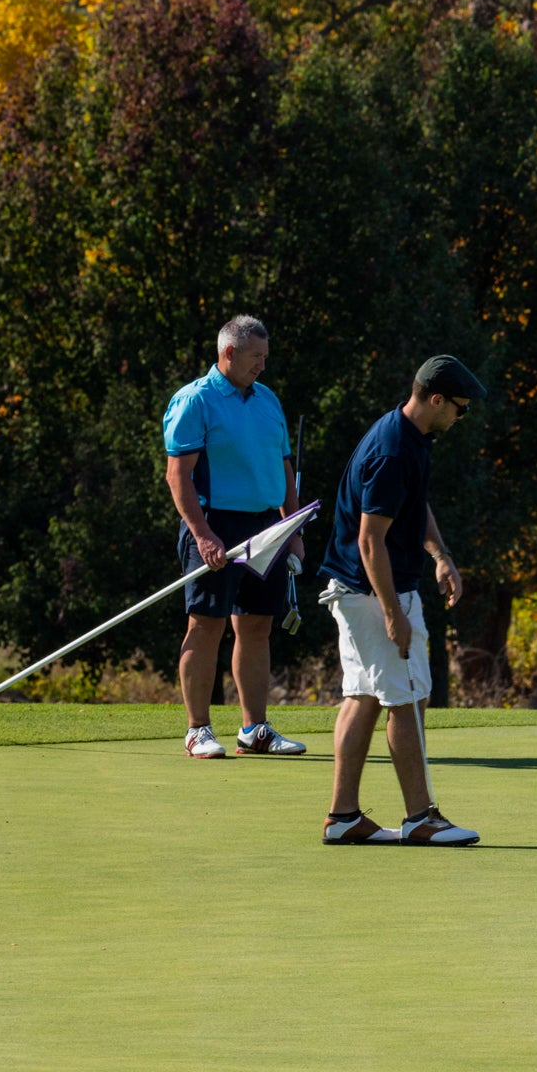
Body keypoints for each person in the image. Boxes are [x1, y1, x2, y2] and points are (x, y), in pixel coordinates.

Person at [316, 355, 487, 846]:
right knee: (408, 700)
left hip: (360, 590)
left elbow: (414, 505)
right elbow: (371, 540)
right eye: (460, 408)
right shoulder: (393, 450)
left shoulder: (411, 438)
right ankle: (420, 818)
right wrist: (393, 613)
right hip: (375, 591)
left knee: (364, 698)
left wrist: (440, 555)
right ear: (436, 399)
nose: (461, 417)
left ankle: (343, 816)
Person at [162, 315, 307, 760]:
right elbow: (178, 476)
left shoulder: (267, 400)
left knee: (258, 625)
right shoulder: (195, 400)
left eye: (265, 357)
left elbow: (283, 467)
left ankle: (254, 728)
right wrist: (202, 534)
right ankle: (197, 729)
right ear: (229, 353)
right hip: (215, 524)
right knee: (206, 625)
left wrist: (292, 526)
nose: (262, 366)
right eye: (255, 357)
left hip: (266, 526)